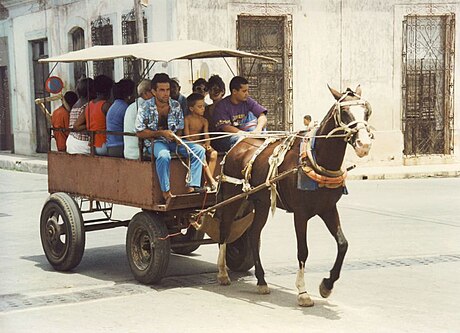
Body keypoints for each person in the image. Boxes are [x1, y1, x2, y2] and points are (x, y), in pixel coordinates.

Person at [135, 73, 206, 201]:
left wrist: (177, 138)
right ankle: (166, 191)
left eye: (167, 90)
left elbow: (179, 127)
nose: (166, 93)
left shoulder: (176, 105)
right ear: (154, 91)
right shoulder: (145, 107)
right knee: (163, 155)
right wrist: (161, 133)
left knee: (199, 150)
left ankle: (193, 185)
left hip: (173, 141)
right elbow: (139, 132)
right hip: (154, 143)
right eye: (162, 90)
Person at [212, 76, 268, 151]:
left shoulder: (248, 101)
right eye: (244, 91)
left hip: (246, 133)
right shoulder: (222, 106)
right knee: (243, 141)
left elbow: (262, 116)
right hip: (228, 137)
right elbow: (226, 127)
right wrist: (244, 134)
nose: (247, 94)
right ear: (234, 91)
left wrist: (258, 129)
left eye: (248, 91)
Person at [185, 93, 218, 190]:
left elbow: (206, 136)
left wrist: (207, 144)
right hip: (191, 144)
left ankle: (207, 184)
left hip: (202, 143)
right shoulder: (187, 119)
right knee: (201, 154)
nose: (203, 109)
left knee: (214, 154)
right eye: (200, 107)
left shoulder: (204, 121)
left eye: (203, 106)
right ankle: (211, 181)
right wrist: (199, 144)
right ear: (191, 109)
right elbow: (187, 137)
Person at [74, 75, 113, 155]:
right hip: (104, 144)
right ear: (109, 90)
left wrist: (90, 125)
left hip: (92, 145)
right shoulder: (106, 105)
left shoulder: (89, 105)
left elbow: (76, 126)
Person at [124, 79, 154, 160]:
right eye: (153, 91)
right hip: (138, 152)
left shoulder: (132, 106)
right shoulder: (141, 107)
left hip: (130, 151)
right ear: (145, 93)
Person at [106, 78, 135, 157]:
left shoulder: (115, 105)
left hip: (111, 146)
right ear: (129, 95)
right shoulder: (125, 108)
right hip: (119, 146)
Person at [66, 78, 95, 154]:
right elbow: (77, 126)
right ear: (91, 91)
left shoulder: (76, 104)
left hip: (71, 141)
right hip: (82, 143)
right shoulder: (88, 105)